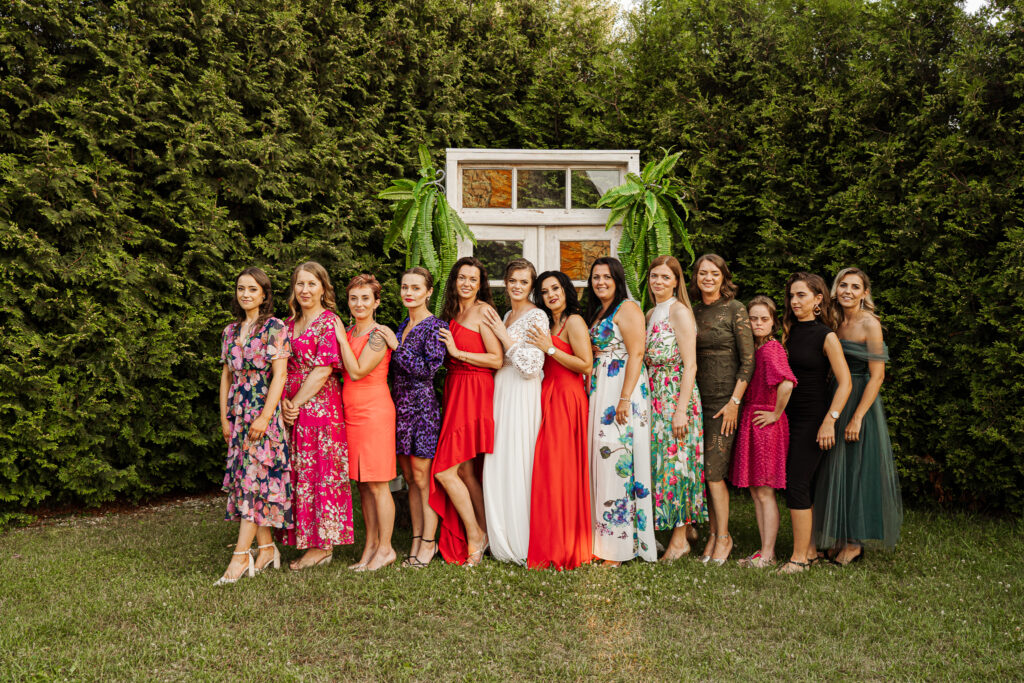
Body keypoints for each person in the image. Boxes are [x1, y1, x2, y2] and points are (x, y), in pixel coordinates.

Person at [813, 268, 903, 564]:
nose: (847, 291)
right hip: (835, 396)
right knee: (834, 467)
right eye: (843, 285)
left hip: (860, 401)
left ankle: (854, 543)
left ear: (865, 293)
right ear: (835, 289)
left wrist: (858, 417)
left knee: (856, 470)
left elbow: (878, 376)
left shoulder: (870, 324)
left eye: (855, 287)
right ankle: (839, 537)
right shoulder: (833, 320)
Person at [215, 267, 293, 585]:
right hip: (238, 414)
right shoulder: (230, 331)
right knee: (248, 480)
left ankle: (239, 557)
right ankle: (267, 549)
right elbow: (226, 376)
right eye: (241, 288)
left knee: (253, 481)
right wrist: (224, 417)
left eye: (252, 289)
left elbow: (281, 375)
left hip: (263, 413)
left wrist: (264, 417)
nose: (245, 294)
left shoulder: (275, 327)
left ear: (264, 294)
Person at [430, 257, 503, 566]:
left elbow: (496, 359)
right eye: (462, 277)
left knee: (445, 470)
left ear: (480, 283)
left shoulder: (484, 311)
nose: (467, 283)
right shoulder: (452, 313)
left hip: (475, 389)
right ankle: (488, 534)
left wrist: (458, 353)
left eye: (473, 279)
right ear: (454, 280)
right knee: (466, 471)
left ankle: (475, 534)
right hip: (455, 387)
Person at [278, 261, 352, 570]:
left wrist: (294, 403)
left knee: (321, 473)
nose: (305, 290)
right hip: (291, 405)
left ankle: (323, 546)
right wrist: (284, 402)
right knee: (298, 473)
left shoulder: (328, 322)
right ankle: (303, 537)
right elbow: (279, 366)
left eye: (311, 283)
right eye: (300, 284)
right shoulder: (287, 323)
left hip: (320, 406)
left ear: (323, 288)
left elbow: (323, 370)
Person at [777, 272, 851, 574]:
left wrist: (830, 421)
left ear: (818, 299)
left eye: (801, 295)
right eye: (792, 296)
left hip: (813, 419)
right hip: (788, 418)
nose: (794, 301)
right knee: (798, 484)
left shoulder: (826, 336)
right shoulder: (789, 331)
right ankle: (809, 550)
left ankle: (798, 559)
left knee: (797, 483)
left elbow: (845, 383)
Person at [585, 257, 656, 566]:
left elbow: (637, 353)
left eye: (606, 277)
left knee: (618, 462)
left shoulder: (628, 308)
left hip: (621, 391)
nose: (600, 282)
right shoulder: (599, 311)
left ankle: (619, 547)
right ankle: (602, 540)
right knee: (603, 463)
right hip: (601, 390)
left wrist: (625, 399)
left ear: (617, 279)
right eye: (595, 277)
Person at [480, 259, 548, 565]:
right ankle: (500, 536)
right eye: (512, 281)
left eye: (523, 282)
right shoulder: (507, 315)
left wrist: (504, 336)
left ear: (531, 286)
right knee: (499, 459)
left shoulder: (537, 316)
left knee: (519, 460)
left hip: (522, 393)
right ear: (505, 283)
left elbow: (532, 367)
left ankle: (521, 540)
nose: (517, 286)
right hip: (501, 390)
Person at [526, 271, 594, 570]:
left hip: (568, 397)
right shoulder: (548, 324)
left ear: (566, 290)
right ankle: (552, 536)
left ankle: (567, 543)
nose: (551, 294)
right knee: (549, 469)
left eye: (555, 288)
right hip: (548, 393)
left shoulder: (574, 321)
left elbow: (586, 364)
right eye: (544, 291)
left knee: (562, 468)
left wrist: (550, 348)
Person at [690, 254, 754, 565]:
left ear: (724, 277)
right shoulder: (692, 310)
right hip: (696, 400)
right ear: (696, 277)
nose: (708, 278)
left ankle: (725, 537)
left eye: (714, 273)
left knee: (715, 472)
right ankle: (713, 535)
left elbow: (748, 360)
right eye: (703, 273)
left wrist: (735, 402)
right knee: (704, 472)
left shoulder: (734, 308)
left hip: (724, 403)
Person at [334, 274, 399, 572]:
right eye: (353, 298)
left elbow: (358, 371)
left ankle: (386, 548)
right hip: (351, 413)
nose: (359, 304)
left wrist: (339, 337)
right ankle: (370, 546)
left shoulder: (378, 335)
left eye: (365, 298)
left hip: (374, 413)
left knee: (378, 483)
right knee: (362, 484)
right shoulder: (349, 332)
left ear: (376, 302)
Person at [644, 256, 706, 562]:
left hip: (676, 396)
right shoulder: (650, 313)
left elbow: (691, 365)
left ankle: (680, 540)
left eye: (665, 277)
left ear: (676, 281)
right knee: (663, 466)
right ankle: (686, 527)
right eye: (654, 276)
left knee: (677, 466)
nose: (658, 281)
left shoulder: (679, 312)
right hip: (655, 396)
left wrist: (680, 410)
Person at [730, 296, 796, 569]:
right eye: (753, 319)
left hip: (766, 424)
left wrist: (776, 414)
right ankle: (764, 551)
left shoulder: (771, 349)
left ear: (773, 322)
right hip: (754, 421)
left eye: (764, 319)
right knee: (757, 491)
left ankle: (768, 554)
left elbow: (787, 384)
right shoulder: (755, 349)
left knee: (765, 492)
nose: (758, 323)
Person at [390, 267, 448, 570]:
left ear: (428, 292)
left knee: (423, 479)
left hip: (422, 408)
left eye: (415, 288)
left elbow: (428, 370)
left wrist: (396, 348)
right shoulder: (402, 325)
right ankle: (415, 538)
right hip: (400, 407)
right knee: (410, 479)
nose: (409, 293)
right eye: (405, 287)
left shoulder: (435, 326)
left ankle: (429, 541)